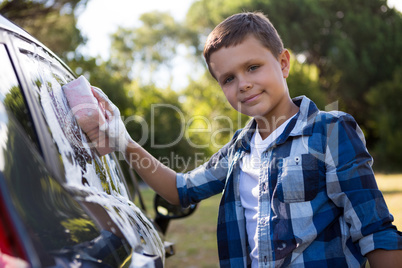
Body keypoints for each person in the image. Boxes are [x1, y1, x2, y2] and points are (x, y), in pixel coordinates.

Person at [68, 11, 402, 268]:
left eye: (253, 67)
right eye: (228, 78)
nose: (242, 84)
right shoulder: (240, 149)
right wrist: (124, 141)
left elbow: (374, 231)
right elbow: (181, 190)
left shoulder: (330, 131)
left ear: (283, 63)